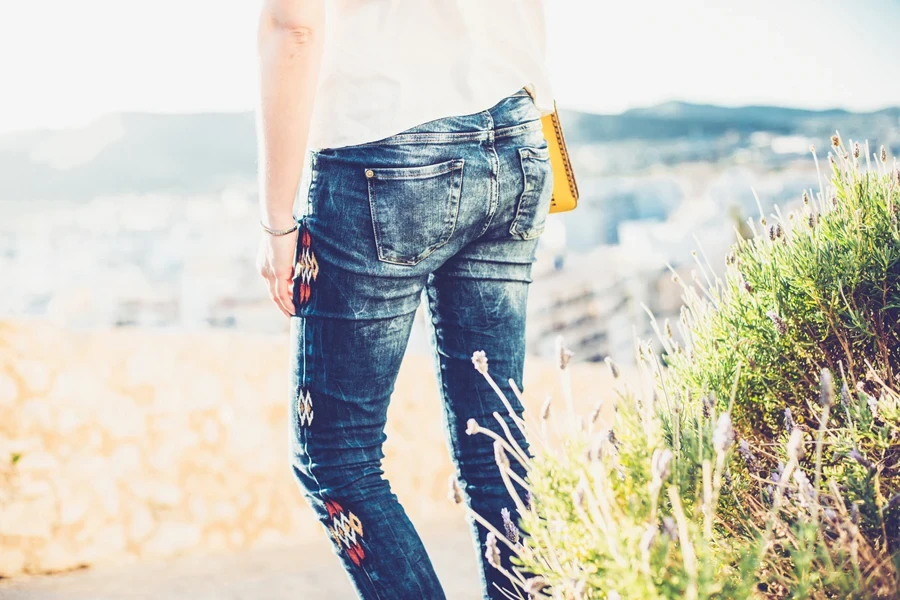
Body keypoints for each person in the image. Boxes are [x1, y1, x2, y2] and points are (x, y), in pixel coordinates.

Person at [254, 1, 553, 598]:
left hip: (385, 145)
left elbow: (294, 24)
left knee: (333, 457)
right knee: (495, 440)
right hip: (517, 131)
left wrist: (275, 221)